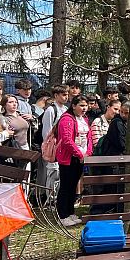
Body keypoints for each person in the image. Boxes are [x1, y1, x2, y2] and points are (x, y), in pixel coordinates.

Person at [55, 95, 92, 227]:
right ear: (74, 106)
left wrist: (88, 152)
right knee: (66, 186)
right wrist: (78, 154)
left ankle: (70, 212)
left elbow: (89, 137)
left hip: (81, 157)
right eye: (81, 105)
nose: (84, 108)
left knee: (73, 185)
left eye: (86, 105)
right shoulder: (67, 119)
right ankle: (62, 214)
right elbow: (66, 140)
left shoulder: (84, 119)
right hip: (69, 158)